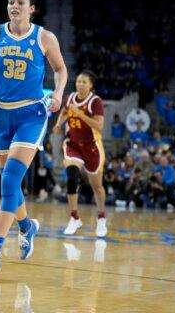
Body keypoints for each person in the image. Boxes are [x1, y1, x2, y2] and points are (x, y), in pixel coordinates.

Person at [0, 0, 67, 270]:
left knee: (10, 179)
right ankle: (26, 226)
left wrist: (59, 93)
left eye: (21, 2)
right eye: (11, 1)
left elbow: (61, 69)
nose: (14, 5)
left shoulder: (44, 37)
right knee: (9, 180)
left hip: (31, 114)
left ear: (31, 8)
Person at [53, 71, 108, 237]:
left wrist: (80, 114)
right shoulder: (70, 98)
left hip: (92, 147)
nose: (80, 84)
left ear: (91, 85)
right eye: (78, 81)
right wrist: (58, 123)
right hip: (73, 144)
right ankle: (74, 217)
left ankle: (101, 217)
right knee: (71, 176)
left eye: (84, 82)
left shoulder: (95, 102)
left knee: (96, 185)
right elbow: (64, 111)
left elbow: (99, 126)